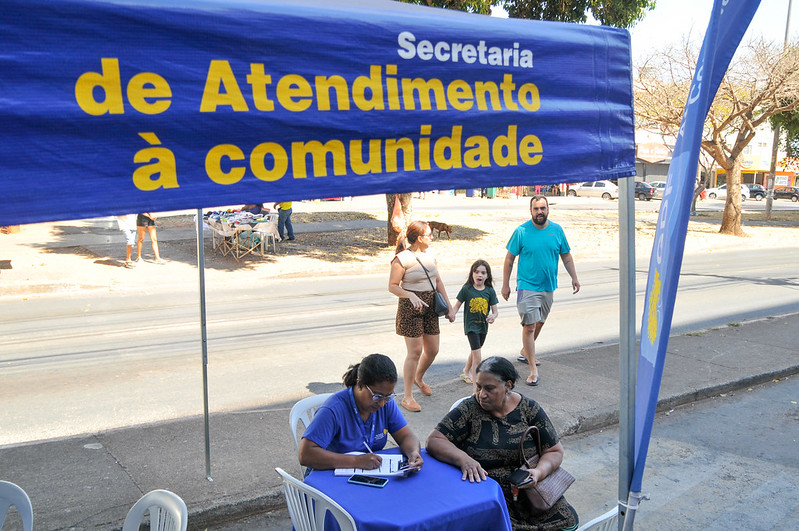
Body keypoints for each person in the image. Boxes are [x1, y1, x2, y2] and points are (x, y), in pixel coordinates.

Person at [426, 357, 579, 531]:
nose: (481, 394)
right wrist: (464, 459)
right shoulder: (469, 409)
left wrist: (538, 472)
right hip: (489, 493)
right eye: (479, 387)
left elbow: (554, 450)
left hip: (530, 492)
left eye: (489, 388)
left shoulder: (529, 409)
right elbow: (435, 440)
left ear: (507, 385)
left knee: (568, 521)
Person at [298, 353, 424, 472]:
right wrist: (355, 461)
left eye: (388, 396)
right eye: (377, 396)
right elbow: (306, 455)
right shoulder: (333, 409)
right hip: (328, 475)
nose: (381, 403)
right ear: (360, 384)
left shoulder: (386, 403)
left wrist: (413, 453)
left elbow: (406, 436)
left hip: (364, 475)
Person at [502, 196, 579, 386]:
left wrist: (574, 277)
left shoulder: (557, 231)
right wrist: (506, 284)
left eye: (543, 208)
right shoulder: (521, 232)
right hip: (526, 286)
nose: (540, 212)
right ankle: (532, 370)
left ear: (548, 210)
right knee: (529, 326)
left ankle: (525, 352)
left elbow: (566, 256)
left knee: (539, 323)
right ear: (530, 211)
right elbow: (509, 259)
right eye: (536, 209)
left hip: (548, 286)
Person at [388, 220, 454, 413]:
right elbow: (392, 286)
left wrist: (449, 307)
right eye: (429, 235)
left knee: (433, 350)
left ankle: (418, 377)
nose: (432, 238)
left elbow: (438, 280)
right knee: (415, 352)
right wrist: (410, 295)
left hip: (431, 305)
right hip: (411, 307)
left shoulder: (431, 255)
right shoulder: (402, 259)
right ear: (419, 238)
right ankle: (407, 397)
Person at [451, 259, 498, 386]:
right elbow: (456, 306)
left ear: (487, 275)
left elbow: (495, 311)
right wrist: (452, 314)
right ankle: (476, 388)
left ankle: (466, 370)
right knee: (477, 356)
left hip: (483, 327)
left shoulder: (489, 291)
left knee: (475, 350)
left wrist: (492, 317)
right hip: (471, 327)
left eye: (483, 272)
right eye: (476, 272)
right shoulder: (467, 289)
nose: (479, 275)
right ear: (472, 274)